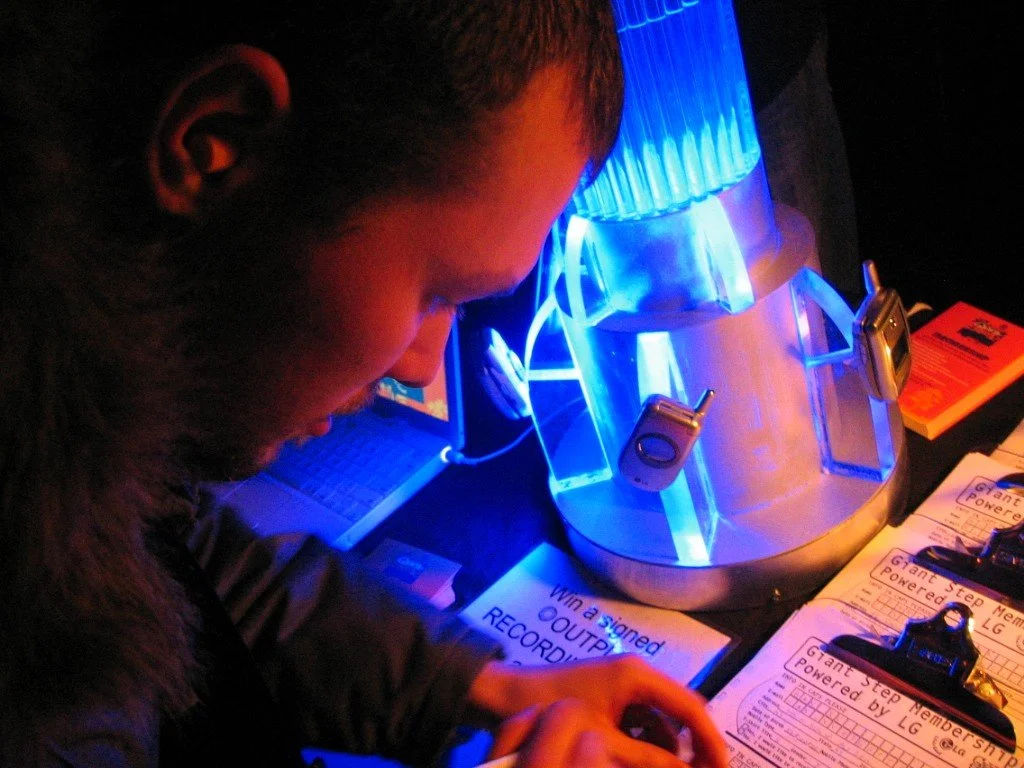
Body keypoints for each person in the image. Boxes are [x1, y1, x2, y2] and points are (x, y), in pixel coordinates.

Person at [0, 2, 730, 767]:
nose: (420, 367)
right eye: (437, 292)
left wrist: (483, 687)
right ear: (214, 143)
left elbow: (185, 565)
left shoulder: (80, 450)